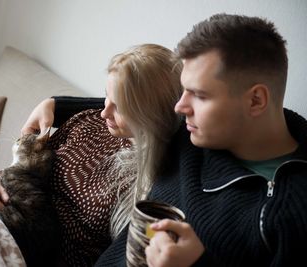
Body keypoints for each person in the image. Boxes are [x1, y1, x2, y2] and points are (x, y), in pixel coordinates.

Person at [94, 13, 307, 266]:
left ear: (255, 100)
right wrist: (56, 104)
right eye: (184, 89)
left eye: (199, 95)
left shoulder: (296, 213)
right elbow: (141, 106)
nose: (180, 106)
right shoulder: (192, 132)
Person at [0, 44, 183, 266]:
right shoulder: (88, 121)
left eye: (120, 107)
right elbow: (28, 166)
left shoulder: (155, 179)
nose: (104, 112)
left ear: (150, 112)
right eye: (106, 97)